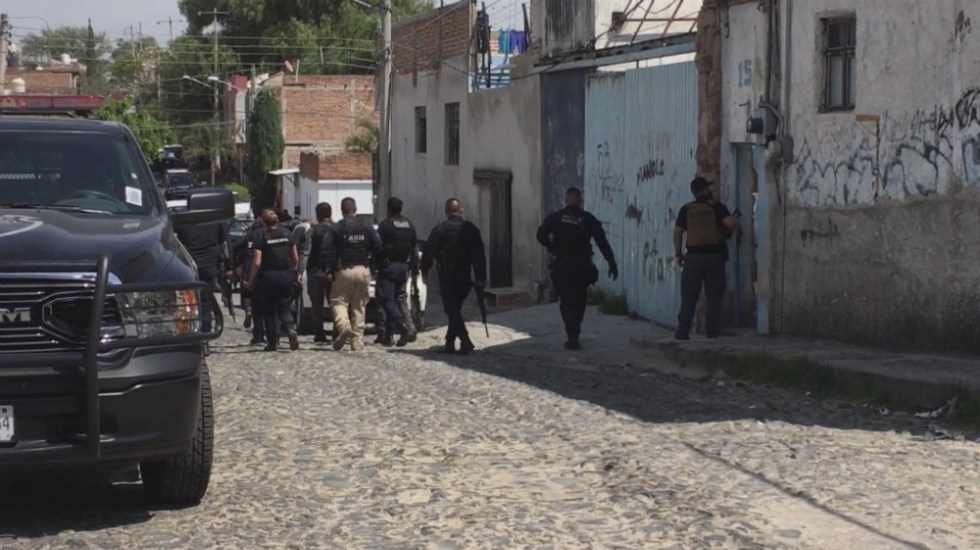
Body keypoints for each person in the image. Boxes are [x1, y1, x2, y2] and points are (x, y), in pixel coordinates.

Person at [536, 187, 618, 351]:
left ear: (566, 200)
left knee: (566, 301)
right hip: (582, 266)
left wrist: (552, 246)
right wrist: (611, 262)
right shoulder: (588, 218)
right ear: (580, 201)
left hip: (563, 265)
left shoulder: (556, 218)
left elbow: (540, 235)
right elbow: (602, 242)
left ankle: (572, 335)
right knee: (579, 300)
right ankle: (575, 332)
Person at [673, 176, 737, 340]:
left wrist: (678, 254)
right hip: (714, 257)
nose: (711, 189)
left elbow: (678, 232)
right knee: (714, 296)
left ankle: (682, 331)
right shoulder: (716, 206)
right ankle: (712, 332)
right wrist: (722, 230)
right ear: (703, 190)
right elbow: (730, 223)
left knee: (688, 296)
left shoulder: (686, 208)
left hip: (693, 258)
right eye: (708, 187)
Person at [420, 198, 486, 355]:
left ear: (446, 211)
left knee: (451, 310)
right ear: (460, 210)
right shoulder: (471, 229)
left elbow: (428, 253)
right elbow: (479, 255)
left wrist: (424, 271)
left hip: (448, 275)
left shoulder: (440, 229)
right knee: (454, 309)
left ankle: (465, 341)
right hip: (464, 274)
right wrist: (481, 276)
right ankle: (449, 343)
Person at [319, 197, 382, 351]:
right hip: (363, 270)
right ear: (355, 209)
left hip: (344, 270)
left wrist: (329, 269)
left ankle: (344, 327)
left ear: (341, 210)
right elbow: (378, 246)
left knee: (338, 302)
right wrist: (372, 268)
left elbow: (327, 250)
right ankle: (357, 341)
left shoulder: (337, 227)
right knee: (359, 306)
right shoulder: (366, 226)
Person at [173, 192, 230, 334]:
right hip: (208, 266)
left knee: (187, 302)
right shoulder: (216, 222)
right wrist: (229, 267)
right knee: (205, 303)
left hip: (188, 267)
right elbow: (225, 245)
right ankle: (205, 333)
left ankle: (192, 331)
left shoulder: (183, 221)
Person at [245, 209, 301, 352]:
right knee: (284, 306)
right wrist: (294, 271)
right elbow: (295, 257)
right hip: (286, 275)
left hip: (268, 277)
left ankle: (272, 342)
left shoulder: (262, 237)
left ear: (264, 222)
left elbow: (257, 262)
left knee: (269, 310)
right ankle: (290, 328)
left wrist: (251, 280)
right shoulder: (288, 234)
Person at [376, 197, 419, 347]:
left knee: (387, 301)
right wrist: (415, 271)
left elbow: (378, 247)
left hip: (389, 268)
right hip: (403, 268)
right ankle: (391, 335)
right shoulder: (409, 225)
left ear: (388, 209)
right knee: (400, 300)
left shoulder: (385, 225)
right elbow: (414, 248)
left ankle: (403, 327)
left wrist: (375, 264)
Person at [299, 203, 335, 344]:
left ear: (317, 215)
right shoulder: (336, 229)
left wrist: (300, 271)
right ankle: (337, 330)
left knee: (317, 305)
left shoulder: (312, 231)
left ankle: (319, 333)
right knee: (336, 304)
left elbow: (305, 252)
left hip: (315, 271)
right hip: (332, 273)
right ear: (330, 213)